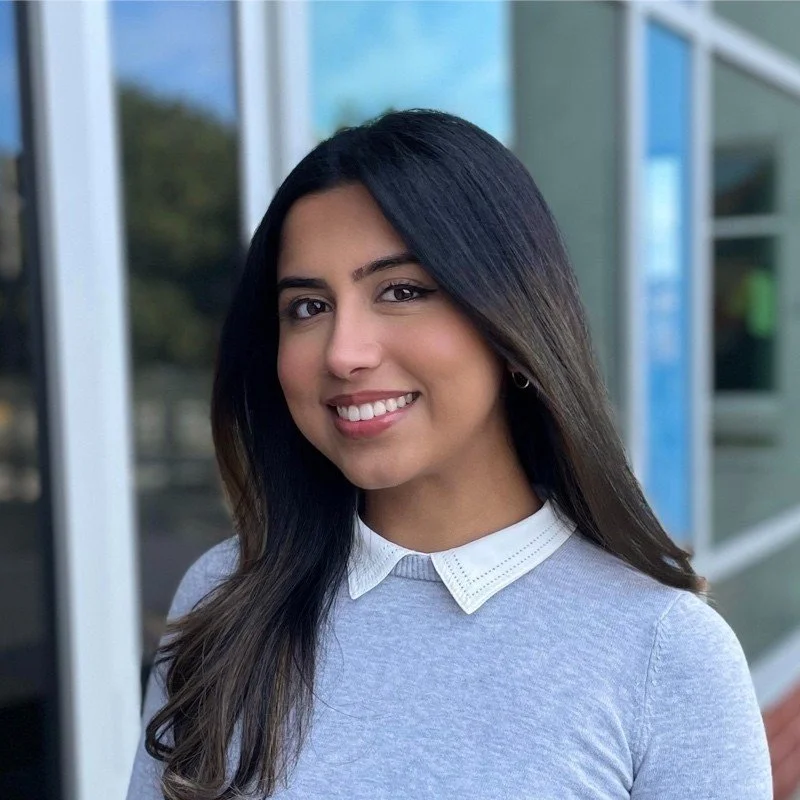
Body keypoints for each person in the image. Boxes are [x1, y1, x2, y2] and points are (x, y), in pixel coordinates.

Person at [126, 109, 772, 800]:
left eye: (402, 292)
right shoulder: (226, 596)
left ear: (511, 322)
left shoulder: (665, 653)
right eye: (308, 307)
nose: (344, 353)